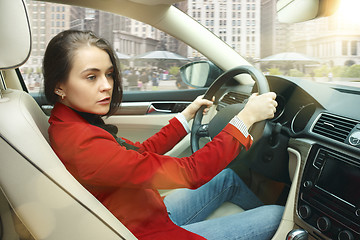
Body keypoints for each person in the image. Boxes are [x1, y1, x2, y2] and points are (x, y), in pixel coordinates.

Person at [43, 30, 283, 240]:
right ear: (59, 86)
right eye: (91, 77)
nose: (107, 85)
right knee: (278, 216)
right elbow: (191, 172)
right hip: (145, 232)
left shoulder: (70, 123)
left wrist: (186, 117)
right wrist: (245, 119)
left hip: (145, 213)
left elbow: (138, 154)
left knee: (227, 178)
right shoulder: (83, 144)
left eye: (109, 74)